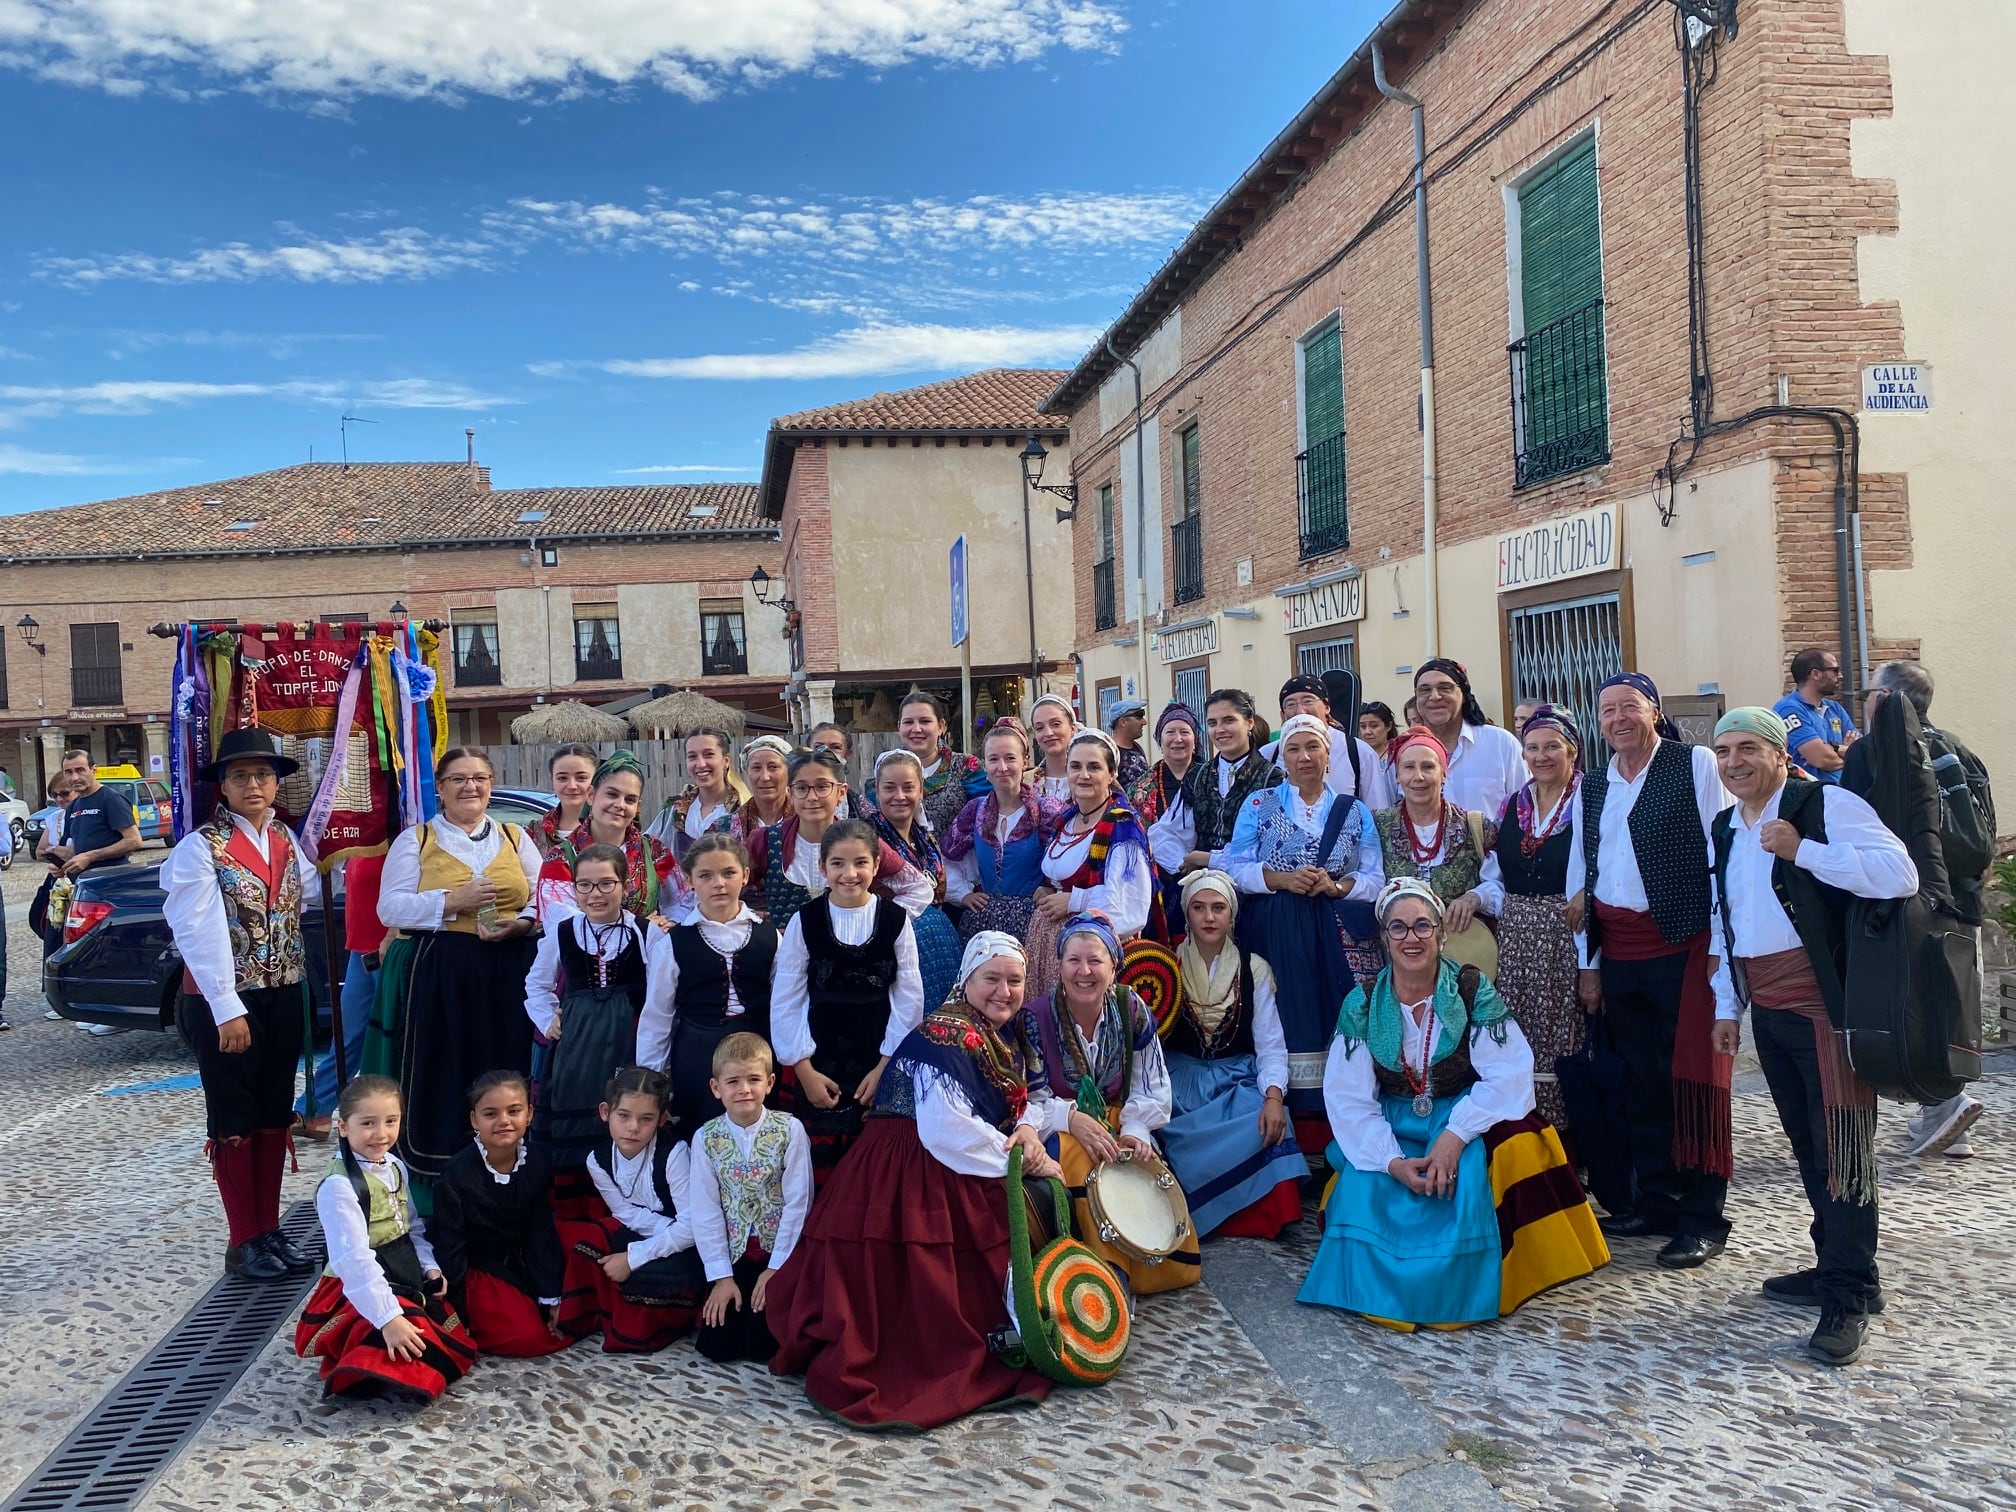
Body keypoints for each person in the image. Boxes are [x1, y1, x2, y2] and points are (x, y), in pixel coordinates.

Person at [766, 933, 1061, 1429]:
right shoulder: (948, 1031)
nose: (1004, 991)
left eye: (1015, 980)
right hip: (909, 1161)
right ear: (967, 980)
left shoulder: (1000, 1032)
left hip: (940, 1155)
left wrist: (1028, 1130)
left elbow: (1020, 1101)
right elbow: (946, 1128)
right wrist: (1021, 1161)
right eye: (992, 979)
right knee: (923, 1277)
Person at [1297, 879, 1608, 1329]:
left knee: (1472, 1184)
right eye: (1398, 928)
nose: (1411, 938)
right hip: (1392, 1122)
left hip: (1459, 1112)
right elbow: (1348, 1100)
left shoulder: (1469, 989)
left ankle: (1470, 1285)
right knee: (1369, 1190)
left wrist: (1454, 1136)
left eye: (1423, 926)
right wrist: (1391, 1161)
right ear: (1384, 939)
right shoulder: (1363, 1002)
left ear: (1442, 934)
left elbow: (1509, 1073)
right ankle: (1385, 1287)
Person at [1707, 707, 1917, 1367]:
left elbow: (1899, 875)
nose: (1734, 762)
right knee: (1807, 1148)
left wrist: (1804, 851)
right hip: (1767, 1006)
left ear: (1778, 752)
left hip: (1826, 1007)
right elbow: (1729, 919)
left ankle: (1849, 1298)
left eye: (1747, 748)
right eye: (1723, 751)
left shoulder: (1826, 804)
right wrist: (1726, 1007)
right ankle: (1837, 1266)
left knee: (1844, 1153)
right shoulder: (1724, 825)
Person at [1565, 674, 1733, 1269]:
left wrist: (1719, 941)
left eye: (1629, 707)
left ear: (1653, 711)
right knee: (1642, 1078)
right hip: (1621, 949)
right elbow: (1584, 875)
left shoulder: (1695, 765)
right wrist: (1589, 964)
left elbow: (1724, 851)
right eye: (1606, 709)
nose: (1617, 719)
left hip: (1686, 941)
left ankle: (1704, 1216)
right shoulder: (1594, 784)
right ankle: (1658, 1199)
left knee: (1695, 1078)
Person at [161, 727, 321, 1281]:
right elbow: (196, 930)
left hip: (282, 992)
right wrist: (227, 1006)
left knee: (274, 1111)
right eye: (241, 776)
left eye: (263, 775)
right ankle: (243, 1238)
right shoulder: (200, 847)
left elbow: (310, 895)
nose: (254, 784)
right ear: (223, 787)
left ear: (276, 783)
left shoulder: (287, 840)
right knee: (234, 1116)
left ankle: (269, 1229)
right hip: (227, 999)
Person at [369, 747, 543, 1182]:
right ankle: (440, 1175)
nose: (471, 787)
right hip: (442, 975)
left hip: (508, 972)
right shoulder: (418, 840)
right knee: (446, 1071)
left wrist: (522, 923)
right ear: (441, 789)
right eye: (459, 779)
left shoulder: (514, 836)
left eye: (480, 778)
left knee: (505, 1065)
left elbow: (545, 894)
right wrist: (452, 902)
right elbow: (389, 908)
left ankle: (508, 1171)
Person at [1221, 714, 1384, 1154]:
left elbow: (1374, 875)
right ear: (1282, 757)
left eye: (1313, 747)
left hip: (1334, 934)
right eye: (1294, 749)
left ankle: (1338, 1131)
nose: (1304, 757)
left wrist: (1336, 886)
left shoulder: (1354, 811)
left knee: (1338, 1018)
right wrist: (1281, 879)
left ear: (1329, 755)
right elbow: (1234, 868)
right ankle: (1289, 1130)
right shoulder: (1259, 804)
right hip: (1275, 929)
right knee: (1281, 1017)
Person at [1854, 661, 1993, 1158]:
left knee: (1907, 1006)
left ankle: (1942, 1103)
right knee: (1951, 1002)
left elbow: (1854, 824)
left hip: (1908, 902)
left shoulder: (1875, 751)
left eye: (1870, 691)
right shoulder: (1959, 747)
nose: (1865, 700)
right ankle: (1943, 1107)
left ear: (1888, 698)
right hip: (1963, 899)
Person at [1024, 910, 1194, 1295]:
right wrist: (1072, 1118)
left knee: (1138, 1167)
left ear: (1114, 966)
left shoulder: (1130, 1008)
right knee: (1084, 1159)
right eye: (1073, 960)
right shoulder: (1034, 1018)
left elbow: (1150, 1082)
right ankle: (1104, 1276)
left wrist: (1136, 1129)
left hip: (1118, 1116)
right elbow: (1028, 1101)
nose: (1084, 971)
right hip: (1058, 1126)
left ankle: (1142, 1267)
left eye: (1095, 960)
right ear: (1058, 965)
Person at [295, 1075, 476, 1403]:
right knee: (407, 1336)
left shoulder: (393, 1165)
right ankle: (363, 1361)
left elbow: (411, 1227)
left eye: (391, 1122)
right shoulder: (339, 1186)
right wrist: (388, 1318)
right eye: (368, 1123)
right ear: (344, 1127)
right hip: (358, 1285)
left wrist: (429, 1267)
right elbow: (353, 1261)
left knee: (450, 1340)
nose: (381, 1134)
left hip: (401, 1271)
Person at [771, 818, 926, 1181]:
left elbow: (908, 996)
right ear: (822, 867)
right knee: (818, 1170)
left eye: (860, 862)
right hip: (819, 1060)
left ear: (875, 864)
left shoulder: (895, 920)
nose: (849, 873)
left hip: (878, 1056)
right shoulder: (804, 921)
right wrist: (804, 1070)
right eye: (837, 863)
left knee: (875, 1169)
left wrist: (886, 1065)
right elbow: (787, 997)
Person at [1157, 871, 1308, 1238]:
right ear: (1187, 914)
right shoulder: (1165, 964)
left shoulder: (1253, 968)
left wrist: (1273, 1096)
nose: (1209, 917)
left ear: (1231, 915)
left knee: (1271, 1118)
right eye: (1199, 908)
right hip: (1182, 1079)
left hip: (1234, 1078)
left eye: (1218, 908)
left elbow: (1270, 1042)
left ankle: (1248, 1215)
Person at [524, 843, 675, 1172]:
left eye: (607, 883)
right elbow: (536, 984)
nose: (596, 894)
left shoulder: (647, 934)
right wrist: (549, 1019)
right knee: (577, 1110)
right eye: (585, 885)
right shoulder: (563, 932)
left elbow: (663, 998)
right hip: (576, 1043)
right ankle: (576, 1197)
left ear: (624, 885)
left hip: (627, 1039)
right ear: (575, 888)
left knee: (625, 1108)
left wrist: (655, 1058)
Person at [430, 1069, 584, 1357]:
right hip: (477, 1268)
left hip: (523, 1259)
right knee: (526, 1338)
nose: (503, 1121)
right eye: (490, 1114)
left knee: (576, 1313)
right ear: (475, 1120)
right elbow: (451, 1248)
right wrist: (457, 1314)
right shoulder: (457, 1175)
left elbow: (540, 1231)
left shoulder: (536, 1161)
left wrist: (552, 1295)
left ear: (529, 1114)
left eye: (514, 1111)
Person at [636, 833, 779, 1135]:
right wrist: (652, 1081)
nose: (719, 883)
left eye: (729, 873)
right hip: (698, 1056)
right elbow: (658, 1015)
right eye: (706, 875)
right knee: (702, 1133)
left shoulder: (769, 936)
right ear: (689, 880)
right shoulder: (672, 944)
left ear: (745, 875)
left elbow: (784, 1003)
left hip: (760, 1055)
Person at [690, 1032, 814, 1365]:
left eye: (754, 1079)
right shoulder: (705, 1138)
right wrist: (720, 1275)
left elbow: (798, 1201)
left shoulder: (790, 1130)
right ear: (716, 1088)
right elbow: (705, 1209)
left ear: (770, 1083)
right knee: (719, 1345)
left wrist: (777, 1268)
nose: (744, 1089)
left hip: (778, 1252)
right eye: (733, 1081)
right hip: (734, 1256)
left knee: (767, 1346)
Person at [1489, 707, 1585, 1131]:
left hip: (1565, 934)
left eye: (1552, 747)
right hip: (1516, 937)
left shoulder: (1588, 799)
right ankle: (1522, 1132)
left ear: (1572, 751)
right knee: (1515, 1031)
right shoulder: (1514, 804)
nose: (1541, 756)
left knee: (1563, 1032)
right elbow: (1493, 869)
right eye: (1532, 747)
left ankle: (1567, 1141)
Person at [572, 1067, 708, 1353]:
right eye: (624, 1116)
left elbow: (693, 1226)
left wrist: (635, 1257)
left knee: (645, 1280)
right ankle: (590, 1315)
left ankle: (646, 1321)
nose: (633, 1127)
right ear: (605, 1111)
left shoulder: (675, 1154)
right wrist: (649, 1240)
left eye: (646, 1119)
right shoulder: (597, 1161)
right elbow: (624, 1212)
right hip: (653, 1232)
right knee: (589, 1241)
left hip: (685, 1245)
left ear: (662, 1119)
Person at [747, 749, 932, 932]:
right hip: (785, 957)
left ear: (841, 792)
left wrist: (877, 924)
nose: (812, 797)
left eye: (822, 787)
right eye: (802, 788)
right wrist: (762, 929)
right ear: (791, 793)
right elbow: (726, 887)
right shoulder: (765, 840)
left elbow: (919, 888)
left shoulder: (861, 840)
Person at [1029, 728, 1154, 997]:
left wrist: (1074, 901)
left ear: (1112, 774)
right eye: (1075, 766)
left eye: (1094, 767)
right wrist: (1049, 888)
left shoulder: (1122, 827)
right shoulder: (1068, 819)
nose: (1083, 775)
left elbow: (1130, 908)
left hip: (1092, 955)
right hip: (1051, 946)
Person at [1376, 727, 1505, 975]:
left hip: (1462, 956)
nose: (1418, 777)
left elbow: (1500, 885)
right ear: (1398, 776)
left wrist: (1474, 897)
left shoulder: (1473, 826)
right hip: (1399, 960)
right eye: (1409, 767)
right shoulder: (1378, 826)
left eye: (1428, 767)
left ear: (1443, 773)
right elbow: (1368, 882)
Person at [943, 720, 1064, 943]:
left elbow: (1069, 861)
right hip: (983, 923)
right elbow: (946, 858)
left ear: (1025, 761)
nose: (1002, 767)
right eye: (993, 759)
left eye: (1010, 758)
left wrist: (1053, 891)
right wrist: (963, 894)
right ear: (985, 765)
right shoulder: (975, 811)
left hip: (1034, 922)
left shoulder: (1047, 811)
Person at [1148, 688, 1283, 886]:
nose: (1220, 729)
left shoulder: (1272, 779)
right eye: (1212, 723)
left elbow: (1266, 848)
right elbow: (1166, 832)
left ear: (1249, 723)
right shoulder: (1197, 776)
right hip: (1200, 885)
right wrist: (1184, 864)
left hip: (1249, 889)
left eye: (1229, 720)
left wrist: (1207, 859)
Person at [295, 852, 386, 1142]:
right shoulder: (359, 838)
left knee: (392, 1040)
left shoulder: (404, 830)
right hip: (361, 947)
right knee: (346, 1036)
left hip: (389, 949)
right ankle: (316, 1110)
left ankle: (391, 1116)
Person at [865, 748, 964, 1012]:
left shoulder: (924, 837)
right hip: (896, 949)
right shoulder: (866, 839)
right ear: (876, 789)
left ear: (921, 790)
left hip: (940, 947)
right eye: (890, 788)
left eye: (908, 787)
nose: (899, 796)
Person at [540, 750, 684, 926]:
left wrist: (666, 924)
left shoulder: (654, 850)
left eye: (630, 799)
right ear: (591, 795)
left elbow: (683, 903)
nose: (620, 805)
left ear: (638, 806)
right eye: (612, 794)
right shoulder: (561, 858)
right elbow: (560, 921)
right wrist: (640, 927)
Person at [1410, 660, 1528, 819]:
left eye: (1445, 688)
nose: (1435, 696)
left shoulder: (1501, 744)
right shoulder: (1406, 752)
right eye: (1424, 690)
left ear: (1464, 695)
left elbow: (1524, 809)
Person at [1261, 675, 1395, 808]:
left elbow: (1377, 812)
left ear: (1326, 707)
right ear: (1282, 714)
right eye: (1290, 704)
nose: (1300, 711)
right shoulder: (1267, 755)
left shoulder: (1359, 752)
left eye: (1308, 701)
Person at [1130, 701, 1203, 939]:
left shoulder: (1211, 779)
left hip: (1205, 880)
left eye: (1185, 732)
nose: (1177, 739)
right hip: (1156, 887)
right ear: (1160, 741)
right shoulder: (1141, 787)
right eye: (1170, 732)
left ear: (1195, 739)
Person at [893, 691, 989, 837]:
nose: (916, 729)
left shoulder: (965, 767)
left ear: (941, 726)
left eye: (925, 721)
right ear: (899, 727)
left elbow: (989, 813)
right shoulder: (886, 773)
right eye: (908, 722)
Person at [645, 728, 744, 859]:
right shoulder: (674, 810)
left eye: (709, 754)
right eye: (692, 756)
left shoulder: (743, 809)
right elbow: (646, 848)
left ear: (726, 761)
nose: (701, 764)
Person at [1772, 648, 1859, 785]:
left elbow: (1863, 753)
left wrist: (1834, 749)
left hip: (1840, 794)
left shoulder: (1835, 708)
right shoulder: (1789, 709)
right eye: (1835, 670)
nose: (1841, 676)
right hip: (1808, 796)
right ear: (1816, 674)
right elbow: (1821, 758)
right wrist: (1847, 753)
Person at [53, 747, 141, 877]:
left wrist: (90, 856)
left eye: (80, 770)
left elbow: (134, 840)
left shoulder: (111, 799)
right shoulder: (73, 805)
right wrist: (61, 864)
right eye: (68, 772)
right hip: (83, 883)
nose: (75, 777)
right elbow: (75, 848)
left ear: (93, 770)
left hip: (110, 881)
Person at [530, 743, 599, 859]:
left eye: (581, 778)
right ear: (552, 780)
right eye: (562, 778)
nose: (572, 786)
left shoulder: (610, 829)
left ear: (596, 779)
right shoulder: (534, 833)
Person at [730, 735, 795, 848]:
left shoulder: (806, 824)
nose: (765, 777)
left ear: (789, 772)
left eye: (773, 767)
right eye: (756, 768)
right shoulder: (725, 828)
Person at [1029, 693, 1079, 803]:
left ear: (1072, 729)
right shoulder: (1026, 783)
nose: (1048, 733)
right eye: (1040, 728)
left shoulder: (1088, 778)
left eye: (1056, 724)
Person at [1108, 698, 1150, 791]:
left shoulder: (1137, 748)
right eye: (1139, 716)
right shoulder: (1108, 751)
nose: (1144, 722)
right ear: (1123, 722)